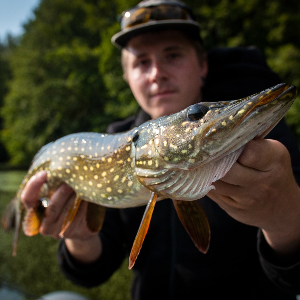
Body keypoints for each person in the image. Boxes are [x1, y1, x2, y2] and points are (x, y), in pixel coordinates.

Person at [21, 0, 300, 299]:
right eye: (141, 62)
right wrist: (79, 238)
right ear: (127, 77)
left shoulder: (268, 144)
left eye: (173, 55)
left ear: (202, 65)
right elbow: (93, 272)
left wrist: (285, 219)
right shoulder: (112, 143)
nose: (157, 73)